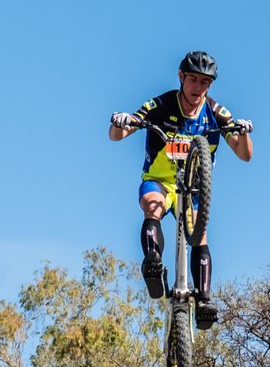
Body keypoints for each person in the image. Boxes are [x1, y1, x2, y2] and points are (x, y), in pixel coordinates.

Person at [108, 51, 254, 330]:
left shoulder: (215, 112)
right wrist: (120, 123)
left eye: (205, 82)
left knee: (200, 235)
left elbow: (244, 154)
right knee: (152, 204)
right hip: (161, 180)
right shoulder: (162, 104)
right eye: (193, 80)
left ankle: (204, 300)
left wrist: (244, 132)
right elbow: (118, 135)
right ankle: (153, 264)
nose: (198, 88)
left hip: (195, 188)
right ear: (181, 77)